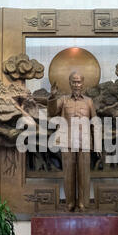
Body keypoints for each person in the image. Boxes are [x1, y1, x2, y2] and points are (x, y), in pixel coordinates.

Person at [47, 72, 97, 212]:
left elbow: (95, 123)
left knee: (84, 175)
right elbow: (51, 113)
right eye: (74, 82)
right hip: (67, 142)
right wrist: (52, 97)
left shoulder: (89, 101)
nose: (76, 85)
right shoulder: (63, 100)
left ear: (83, 83)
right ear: (70, 83)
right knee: (68, 175)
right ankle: (69, 203)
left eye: (79, 82)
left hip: (84, 143)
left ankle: (83, 203)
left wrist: (97, 144)